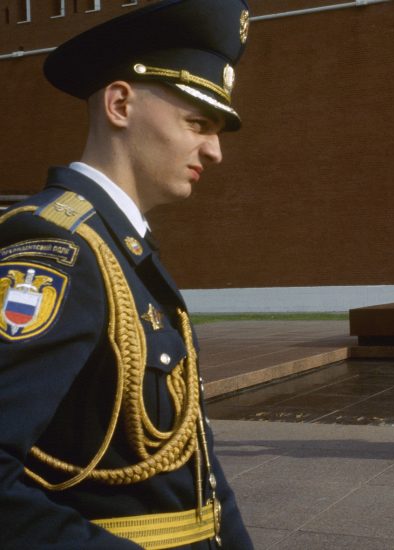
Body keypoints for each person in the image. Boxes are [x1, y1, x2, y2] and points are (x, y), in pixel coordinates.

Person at [0, 1, 254, 547]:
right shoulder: (56, 246)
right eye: (197, 123)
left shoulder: (123, 248)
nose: (214, 151)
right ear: (120, 104)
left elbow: (199, 465)